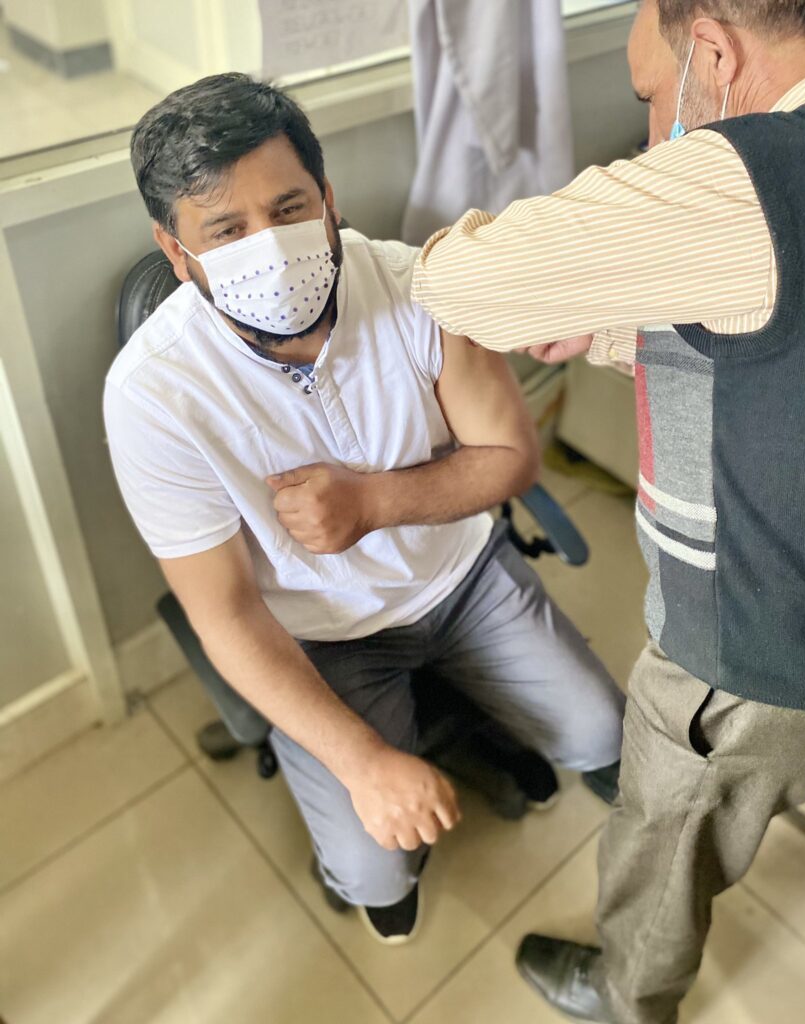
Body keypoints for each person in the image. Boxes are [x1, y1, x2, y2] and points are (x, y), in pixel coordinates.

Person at [411, 0, 805, 1019]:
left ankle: (627, 993)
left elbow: (464, 286)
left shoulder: (738, 175)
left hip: (747, 668)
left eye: (653, 93)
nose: (656, 129)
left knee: (662, 840)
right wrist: (614, 323)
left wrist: (428, 260)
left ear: (715, 52)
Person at [105, 74, 624, 947]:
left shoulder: (418, 283)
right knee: (373, 869)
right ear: (176, 249)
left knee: (602, 730)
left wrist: (372, 502)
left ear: (327, 196)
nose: (270, 250)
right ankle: (368, 853)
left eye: (289, 209)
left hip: (458, 577)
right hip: (319, 635)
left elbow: (511, 457)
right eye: (227, 231)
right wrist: (365, 762)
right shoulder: (153, 394)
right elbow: (225, 613)